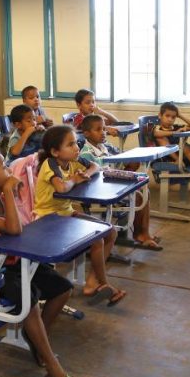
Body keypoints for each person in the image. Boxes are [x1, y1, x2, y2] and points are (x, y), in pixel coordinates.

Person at [0, 150, 82, 377]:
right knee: (30, 300)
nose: (9, 171)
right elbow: (14, 230)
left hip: (13, 262)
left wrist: (12, 195)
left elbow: (27, 223)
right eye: (3, 168)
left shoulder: (5, 199)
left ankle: (37, 337)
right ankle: (52, 365)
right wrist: (8, 191)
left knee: (62, 288)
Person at [34, 125, 126, 306]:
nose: (77, 148)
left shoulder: (73, 160)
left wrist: (86, 173)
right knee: (97, 237)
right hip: (47, 219)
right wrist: (75, 180)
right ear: (55, 151)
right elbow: (61, 187)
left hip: (65, 213)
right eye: (71, 144)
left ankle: (92, 282)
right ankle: (105, 283)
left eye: (76, 143)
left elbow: (94, 165)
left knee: (110, 231)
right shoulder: (50, 165)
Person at [79, 115, 162, 250]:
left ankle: (143, 233)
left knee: (142, 188)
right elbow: (94, 178)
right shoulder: (86, 154)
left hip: (112, 184)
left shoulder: (106, 146)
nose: (103, 133)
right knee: (139, 195)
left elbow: (122, 157)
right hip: (101, 191)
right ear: (87, 133)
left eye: (104, 129)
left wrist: (132, 160)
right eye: (98, 130)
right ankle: (141, 235)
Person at [153, 102, 190, 177]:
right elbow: (156, 133)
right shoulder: (157, 128)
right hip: (168, 158)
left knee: (185, 146)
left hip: (184, 155)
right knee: (161, 139)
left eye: (173, 117)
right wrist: (175, 133)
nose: (170, 119)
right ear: (160, 115)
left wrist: (181, 116)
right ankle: (178, 160)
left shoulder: (178, 127)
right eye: (167, 116)